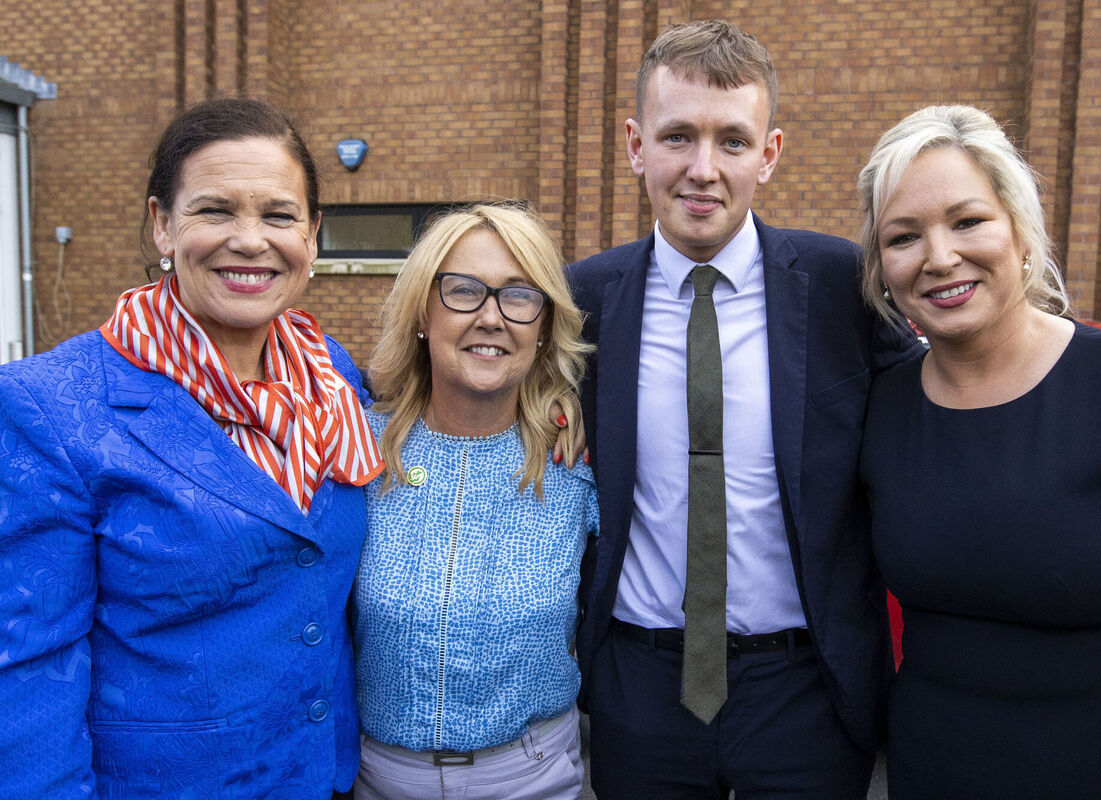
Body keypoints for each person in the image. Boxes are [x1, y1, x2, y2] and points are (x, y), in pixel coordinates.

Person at [568, 20, 922, 798]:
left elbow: (947, 399)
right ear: (635, 146)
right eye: (677, 137)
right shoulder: (583, 299)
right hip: (640, 689)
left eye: (732, 141)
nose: (703, 168)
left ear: (768, 154)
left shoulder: (843, 288)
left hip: (804, 691)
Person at [0, 97, 384, 798]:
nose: (249, 239)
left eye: (278, 215)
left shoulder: (330, 372)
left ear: (313, 234)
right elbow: (25, 672)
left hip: (319, 774)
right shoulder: (49, 405)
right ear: (162, 226)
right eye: (215, 211)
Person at [857, 104, 1101, 799]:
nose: (940, 256)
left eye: (967, 220)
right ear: (882, 267)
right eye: (904, 236)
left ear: (1020, 230)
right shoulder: (880, 406)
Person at [351, 202, 598, 800]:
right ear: (421, 312)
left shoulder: (579, 463)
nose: (492, 317)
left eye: (519, 295)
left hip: (533, 775)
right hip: (378, 776)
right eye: (463, 290)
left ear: (542, 327)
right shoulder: (354, 451)